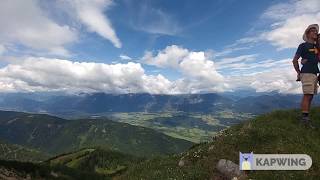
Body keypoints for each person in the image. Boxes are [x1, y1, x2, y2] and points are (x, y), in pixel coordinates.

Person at [292, 24, 319, 128]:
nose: (315, 32)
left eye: (316, 31)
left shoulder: (317, 46)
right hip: (306, 73)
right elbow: (295, 60)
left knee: (311, 95)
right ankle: (304, 120)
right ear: (307, 34)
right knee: (307, 95)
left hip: (314, 73)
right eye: (312, 31)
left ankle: (305, 117)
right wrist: (298, 72)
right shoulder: (303, 46)